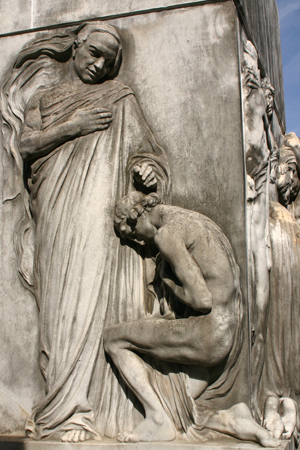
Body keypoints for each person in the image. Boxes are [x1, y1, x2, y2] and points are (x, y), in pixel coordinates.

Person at [0, 22, 170, 442]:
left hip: (97, 216)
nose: (98, 65)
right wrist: (75, 125)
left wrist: (147, 170)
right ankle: (61, 407)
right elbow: (26, 145)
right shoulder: (44, 98)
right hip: (56, 214)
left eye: (108, 62)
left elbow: (146, 152)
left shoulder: (120, 98)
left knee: (90, 296)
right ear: (75, 45)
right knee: (59, 304)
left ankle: (79, 409)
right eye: (93, 53)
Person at [103, 192, 279, 447]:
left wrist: (168, 281)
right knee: (181, 382)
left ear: (136, 217)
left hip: (208, 334)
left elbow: (201, 300)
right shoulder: (193, 219)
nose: (139, 242)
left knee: (113, 339)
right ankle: (228, 418)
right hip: (229, 332)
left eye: (132, 234)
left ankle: (157, 419)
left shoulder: (167, 234)